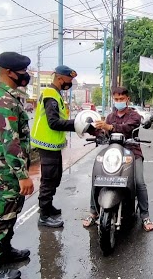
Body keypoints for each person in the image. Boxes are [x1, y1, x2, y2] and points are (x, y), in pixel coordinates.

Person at [0, 52, 34, 279]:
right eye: (22, 71)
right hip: (4, 169)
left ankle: (4, 252)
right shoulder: (2, 100)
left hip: (7, 168)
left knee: (10, 213)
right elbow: (9, 142)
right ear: (9, 72)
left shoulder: (9, 96)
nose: (25, 75)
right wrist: (22, 175)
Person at [82, 87, 153, 232]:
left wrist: (109, 127)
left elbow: (127, 128)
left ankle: (145, 216)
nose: (119, 102)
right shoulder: (109, 116)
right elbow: (104, 132)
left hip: (132, 152)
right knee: (98, 177)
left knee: (139, 182)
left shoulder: (134, 115)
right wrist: (94, 130)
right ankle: (93, 212)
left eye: (122, 99)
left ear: (127, 99)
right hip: (114, 152)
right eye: (116, 99)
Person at [30, 65, 90, 228]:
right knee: (49, 179)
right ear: (59, 78)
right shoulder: (50, 95)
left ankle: (48, 207)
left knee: (55, 177)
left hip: (53, 145)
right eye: (69, 80)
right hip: (46, 144)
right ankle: (44, 215)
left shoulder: (55, 94)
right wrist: (78, 124)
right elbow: (54, 122)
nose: (70, 84)